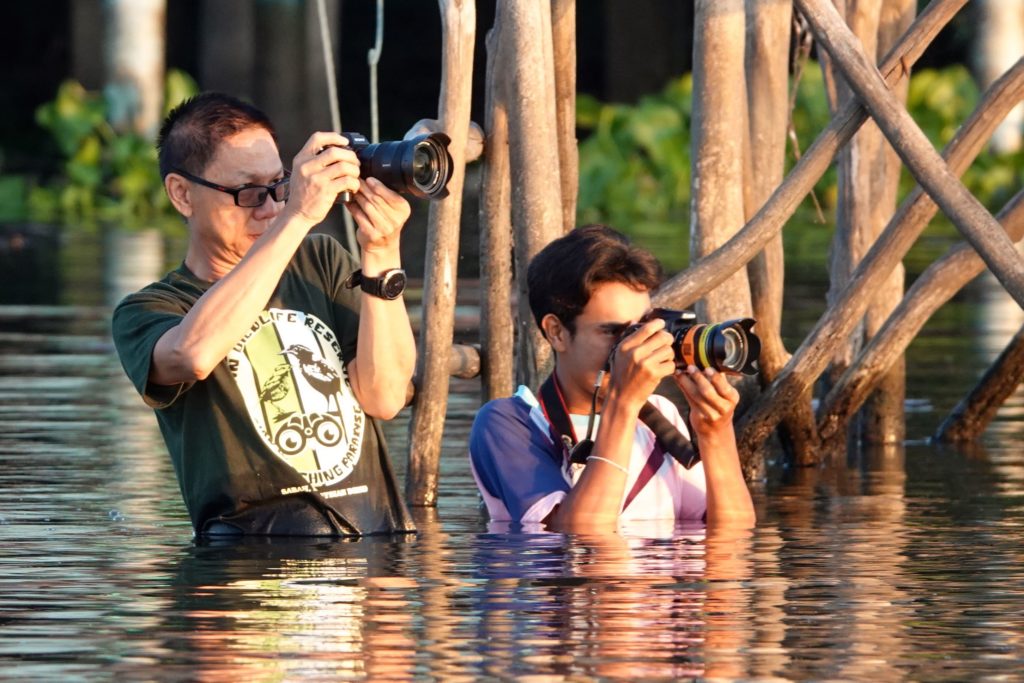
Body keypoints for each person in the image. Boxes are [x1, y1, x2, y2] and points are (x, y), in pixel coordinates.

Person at [112, 92, 416, 536]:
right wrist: (297, 216)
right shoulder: (149, 309)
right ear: (181, 194)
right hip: (254, 561)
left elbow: (385, 397)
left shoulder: (321, 263)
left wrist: (382, 252)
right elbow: (194, 353)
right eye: (250, 193)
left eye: (279, 186)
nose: (271, 208)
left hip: (372, 543)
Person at [469, 225, 756, 531]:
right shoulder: (510, 423)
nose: (635, 349)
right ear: (556, 332)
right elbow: (580, 541)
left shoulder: (661, 416)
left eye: (643, 328)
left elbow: (732, 539)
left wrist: (716, 435)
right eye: (615, 332)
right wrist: (623, 403)